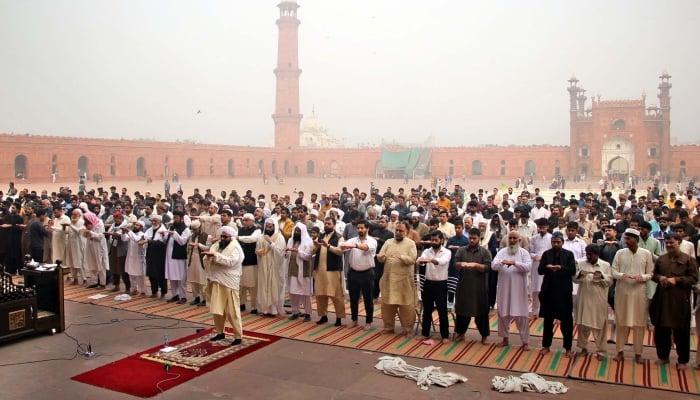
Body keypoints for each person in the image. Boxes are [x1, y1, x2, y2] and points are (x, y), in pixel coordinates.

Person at [649, 233, 698, 369]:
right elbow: (654, 275)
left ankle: (682, 360)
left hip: (680, 301)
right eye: (667, 243)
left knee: (681, 332)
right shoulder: (661, 259)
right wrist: (661, 278)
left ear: (679, 242)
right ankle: (663, 357)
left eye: (672, 242)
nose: (669, 245)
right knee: (661, 330)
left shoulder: (688, 260)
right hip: (662, 300)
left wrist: (676, 280)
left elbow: (693, 279)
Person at [611, 228, 654, 364]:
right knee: (621, 321)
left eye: (629, 238)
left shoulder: (646, 254)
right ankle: (619, 351)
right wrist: (620, 275)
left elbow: (651, 273)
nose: (626, 241)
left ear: (636, 239)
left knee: (639, 323)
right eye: (625, 238)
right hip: (622, 291)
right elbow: (613, 270)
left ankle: (638, 353)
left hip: (639, 291)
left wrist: (643, 277)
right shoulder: (620, 253)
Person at [203, 226, 244, 346]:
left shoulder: (235, 247)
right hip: (216, 280)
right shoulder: (217, 245)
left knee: (232, 311)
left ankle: (238, 335)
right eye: (222, 236)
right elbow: (209, 255)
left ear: (231, 237)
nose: (223, 238)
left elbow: (231, 262)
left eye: (225, 236)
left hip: (229, 282)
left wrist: (216, 256)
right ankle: (220, 332)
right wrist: (209, 256)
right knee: (217, 309)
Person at [538, 231, 576, 357]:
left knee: (566, 322)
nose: (555, 244)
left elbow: (572, 271)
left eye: (558, 242)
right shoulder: (546, 254)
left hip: (564, 292)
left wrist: (561, 268)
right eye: (553, 242)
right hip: (548, 291)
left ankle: (568, 348)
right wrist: (547, 267)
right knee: (548, 321)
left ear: (562, 242)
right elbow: (540, 271)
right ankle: (546, 346)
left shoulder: (569, 254)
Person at [491, 231, 532, 350]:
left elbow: (528, 267)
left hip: (519, 290)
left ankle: (525, 342)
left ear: (519, 240)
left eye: (515, 238)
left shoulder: (524, 253)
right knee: (503, 313)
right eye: (510, 238)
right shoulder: (502, 252)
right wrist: (502, 262)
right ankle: (505, 339)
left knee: (522, 315)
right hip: (504, 288)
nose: (512, 240)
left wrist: (514, 263)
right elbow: (494, 265)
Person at [377, 221, 417, 336]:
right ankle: (389, 327)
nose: (398, 233)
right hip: (389, 279)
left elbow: (412, 259)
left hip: (404, 280)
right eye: (397, 230)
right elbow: (381, 256)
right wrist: (380, 257)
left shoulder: (411, 244)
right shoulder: (389, 242)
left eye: (401, 231)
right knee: (387, 304)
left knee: (406, 305)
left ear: (406, 232)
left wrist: (401, 257)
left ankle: (407, 329)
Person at [453, 227, 492, 344]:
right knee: (462, 311)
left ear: (479, 239)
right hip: (464, 287)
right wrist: (461, 264)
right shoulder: (461, 250)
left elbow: (488, 268)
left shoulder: (485, 252)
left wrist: (475, 265)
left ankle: (484, 336)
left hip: (479, 288)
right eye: (470, 238)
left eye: (474, 238)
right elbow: (455, 264)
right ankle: (461, 334)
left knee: (482, 313)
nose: (471, 240)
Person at [574, 244, 612, 361]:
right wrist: (580, 275)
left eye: (590, 254)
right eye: (587, 254)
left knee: (599, 325)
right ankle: (583, 348)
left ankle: (601, 351)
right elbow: (575, 280)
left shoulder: (605, 265)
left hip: (598, 300)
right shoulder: (581, 264)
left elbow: (610, 282)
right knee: (583, 324)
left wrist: (601, 276)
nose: (588, 256)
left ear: (597, 255)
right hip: (584, 298)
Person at [341, 220, 378, 329]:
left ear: (367, 229)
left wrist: (355, 245)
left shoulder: (372, 241)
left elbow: (366, 248)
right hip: (353, 272)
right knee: (353, 298)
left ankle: (368, 322)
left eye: (362, 228)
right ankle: (354, 320)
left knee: (368, 299)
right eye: (358, 228)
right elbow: (342, 245)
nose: (360, 230)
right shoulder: (352, 240)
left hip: (367, 273)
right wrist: (344, 245)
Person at [416, 230, 451, 343]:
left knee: (442, 311)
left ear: (441, 240)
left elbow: (442, 261)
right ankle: (425, 333)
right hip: (428, 283)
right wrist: (423, 261)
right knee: (427, 310)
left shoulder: (447, 252)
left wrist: (430, 260)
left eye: (436, 240)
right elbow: (419, 261)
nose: (434, 242)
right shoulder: (427, 251)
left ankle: (444, 336)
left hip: (441, 284)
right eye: (432, 240)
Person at [313, 217, 346, 326]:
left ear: (334, 225)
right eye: (325, 223)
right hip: (319, 270)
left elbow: (341, 251)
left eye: (329, 224)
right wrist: (315, 246)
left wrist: (329, 246)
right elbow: (312, 250)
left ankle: (339, 318)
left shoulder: (339, 237)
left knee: (336, 295)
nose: (326, 225)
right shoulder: (321, 236)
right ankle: (323, 316)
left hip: (332, 271)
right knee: (320, 295)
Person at [284, 222, 315, 322]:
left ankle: (307, 313)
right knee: (293, 293)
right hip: (292, 270)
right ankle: (295, 312)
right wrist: (285, 252)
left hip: (303, 271)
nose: (297, 233)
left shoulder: (308, 242)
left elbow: (308, 256)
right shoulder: (290, 240)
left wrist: (298, 251)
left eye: (299, 231)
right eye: (295, 231)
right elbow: (286, 255)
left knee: (305, 293)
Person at [256, 217, 286, 316]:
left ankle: (273, 309)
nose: (268, 228)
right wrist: (258, 252)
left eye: (270, 226)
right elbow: (257, 249)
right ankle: (265, 309)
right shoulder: (261, 237)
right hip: (263, 265)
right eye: (267, 226)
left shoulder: (279, 237)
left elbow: (281, 252)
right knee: (264, 286)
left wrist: (271, 242)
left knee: (273, 286)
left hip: (274, 266)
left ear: (274, 227)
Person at [164, 210, 190, 304]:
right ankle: (175, 295)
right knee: (172, 276)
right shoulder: (172, 226)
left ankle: (183, 296)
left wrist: (174, 234)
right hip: (170, 256)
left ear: (182, 219)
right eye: (174, 218)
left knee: (181, 277)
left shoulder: (186, 229)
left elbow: (182, 242)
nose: (174, 220)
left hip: (179, 256)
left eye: (176, 218)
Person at [237, 213, 261, 313]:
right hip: (240, 261)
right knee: (240, 285)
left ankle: (254, 306)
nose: (245, 222)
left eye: (247, 220)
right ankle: (240, 304)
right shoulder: (241, 230)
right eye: (244, 220)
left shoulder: (257, 230)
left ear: (252, 221)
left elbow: (252, 239)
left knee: (252, 286)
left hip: (251, 261)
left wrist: (239, 238)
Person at [529, 218, 552, 319]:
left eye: (543, 228)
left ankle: (546, 311)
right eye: (539, 228)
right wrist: (535, 256)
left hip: (547, 266)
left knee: (547, 289)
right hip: (536, 265)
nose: (541, 230)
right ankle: (535, 312)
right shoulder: (534, 238)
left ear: (547, 227)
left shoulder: (551, 238)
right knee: (535, 290)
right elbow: (530, 251)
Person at [141, 215, 168, 298]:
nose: (153, 222)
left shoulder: (163, 230)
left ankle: (163, 292)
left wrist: (149, 241)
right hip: (150, 253)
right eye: (152, 221)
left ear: (160, 221)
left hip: (160, 255)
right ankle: (154, 291)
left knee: (160, 274)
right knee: (151, 273)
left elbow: (162, 242)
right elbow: (145, 237)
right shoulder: (150, 229)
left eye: (155, 221)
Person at [82, 212, 109, 290]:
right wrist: (86, 232)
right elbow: (85, 236)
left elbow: (100, 236)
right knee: (92, 264)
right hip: (90, 246)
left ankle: (102, 283)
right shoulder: (88, 224)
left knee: (101, 265)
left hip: (98, 247)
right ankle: (94, 282)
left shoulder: (99, 224)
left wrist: (90, 232)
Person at [105, 212, 130, 292]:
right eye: (114, 219)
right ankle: (116, 285)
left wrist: (115, 234)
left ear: (121, 219)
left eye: (117, 219)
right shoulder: (113, 226)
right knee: (114, 267)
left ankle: (127, 287)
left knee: (122, 269)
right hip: (114, 247)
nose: (115, 220)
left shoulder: (125, 226)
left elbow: (125, 237)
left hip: (122, 249)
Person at [187, 219, 209, 306]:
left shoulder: (206, 236)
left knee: (202, 281)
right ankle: (196, 297)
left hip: (201, 261)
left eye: (196, 229)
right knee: (193, 280)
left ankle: (204, 299)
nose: (194, 231)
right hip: (192, 260)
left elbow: (208, 248)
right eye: (193, 230)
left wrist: (198, 244)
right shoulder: (192, 236)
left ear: (200, 228)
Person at [122, 220, 146, 295]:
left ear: (141, 227)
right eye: (135, 225)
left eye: (137, 225)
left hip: (139, 257)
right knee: (131, 274)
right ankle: (133, 289)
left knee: (140, 275)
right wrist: (123, 232)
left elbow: (136, 239)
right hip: (131, 257)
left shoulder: (142, 234)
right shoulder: (131, 233)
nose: (135, 226)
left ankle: (142, 291)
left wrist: (128, 231)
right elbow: (124, 239)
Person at [64, 208, 87, 284]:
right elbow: (67, 232)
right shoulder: (72, 222)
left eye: (75, 214)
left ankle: (84, 278)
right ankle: (75, 278)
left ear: (79, 215)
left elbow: (78, 232)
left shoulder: (82, 222)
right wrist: (64, 227)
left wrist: (70, 225)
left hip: (78, 245)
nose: (73, 216)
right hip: (71, 245)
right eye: (72, 214)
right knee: (72, 262)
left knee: (79, 261)